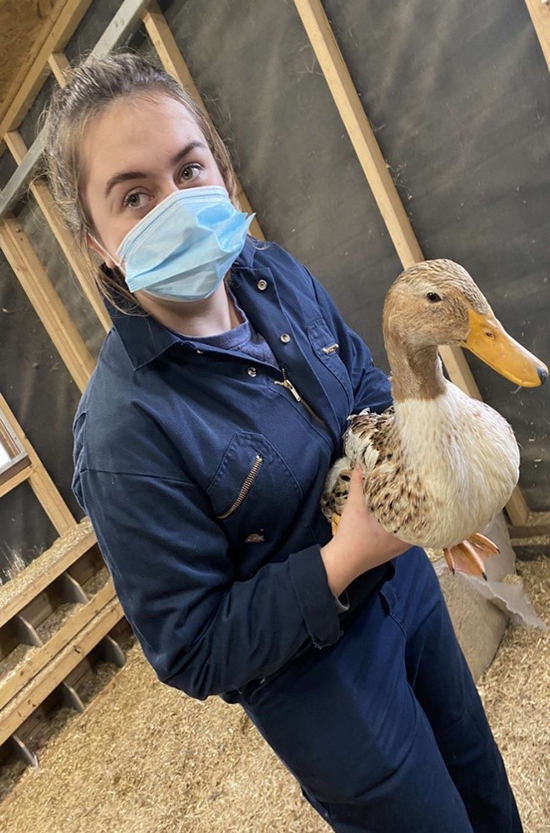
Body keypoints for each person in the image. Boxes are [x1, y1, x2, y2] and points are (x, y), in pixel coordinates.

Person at [42, 53, 522, 832]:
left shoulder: (270, 274)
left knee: (483, 782)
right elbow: (193, 648)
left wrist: (428, 473)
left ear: (221, 168)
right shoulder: (123, 435)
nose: (178, 202)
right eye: (134, 196)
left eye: (188, 166)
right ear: (97, 240)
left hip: (408, 590)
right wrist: (345, 556)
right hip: (323, 680)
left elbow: (365, 381)